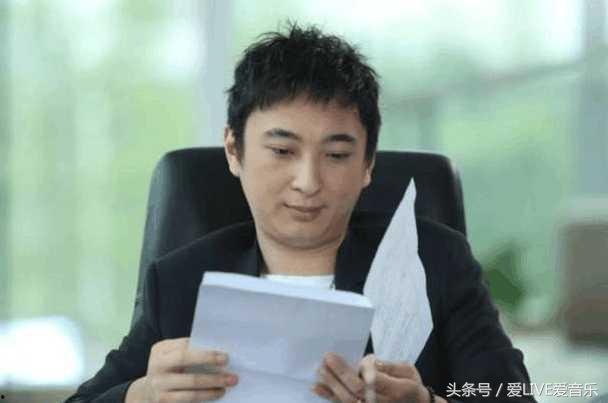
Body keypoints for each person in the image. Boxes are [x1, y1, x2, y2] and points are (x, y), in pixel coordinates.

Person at [66, 23, 535, 403]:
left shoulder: (435, 262)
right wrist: (142, 395)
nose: (308, 181)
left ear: (368, 164)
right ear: (233, 149)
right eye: (282, 150)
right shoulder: (179, 282)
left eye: (336, 155)